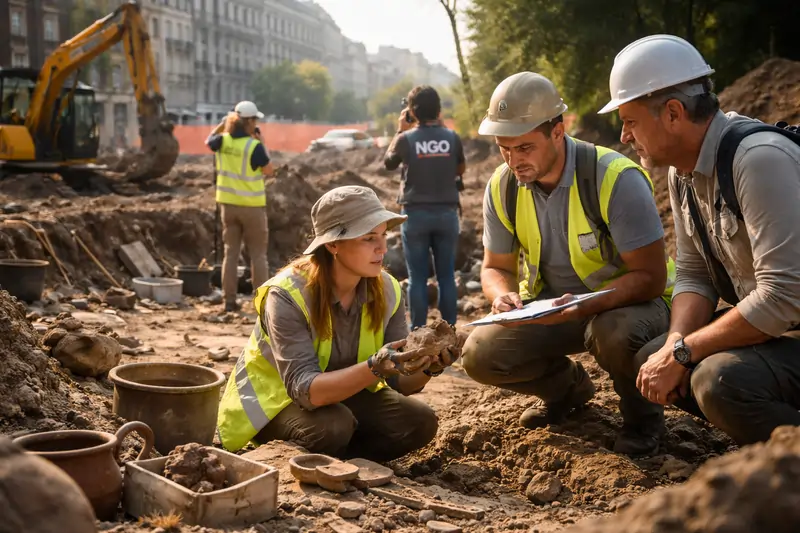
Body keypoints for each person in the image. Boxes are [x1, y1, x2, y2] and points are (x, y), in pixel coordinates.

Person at [598, 34, 800, 446]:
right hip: (781, 331)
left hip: (788, 321)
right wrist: (675, 343)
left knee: (718, 380)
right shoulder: (682, 173)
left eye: (630, 121)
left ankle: (785, 465)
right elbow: (694, 274)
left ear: (673, 113)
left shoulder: (759, 160)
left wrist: (687, 352)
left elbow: (784, 295)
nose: (624, 137)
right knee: (650, 356)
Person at [461, 71, 676, 456]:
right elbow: (495, 267)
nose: (513, 160)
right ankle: (569, 390)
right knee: (480, 355)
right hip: (553, 308)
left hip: (633, 306)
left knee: (613, 332)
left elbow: (651, 278)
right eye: (504, 149)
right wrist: (503, 296)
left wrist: (584, 305)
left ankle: (643, 418)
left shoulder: (613, 178)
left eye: (524, 148)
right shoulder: (503, 185)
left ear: (558, 131)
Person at [216, 185, 463, 459]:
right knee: (332, 426)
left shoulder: (387, 289)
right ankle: (296, 459)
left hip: (341, 397)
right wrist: (373, 367)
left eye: (383, 235)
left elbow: (398, 382)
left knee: (419, 421)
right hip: (277, 405)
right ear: (333, 244)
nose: (382, 247)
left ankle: (347, 462)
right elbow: (306, 391)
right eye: (369, 238)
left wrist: (428, 366)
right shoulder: (286, 295)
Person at [383, 86, 466, 329]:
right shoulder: (452, 138)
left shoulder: (406, 139)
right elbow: (460, 169)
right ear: (439, 109)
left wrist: (401, 128)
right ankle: (448, 330)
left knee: (417, 278)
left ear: (411, 112)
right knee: (446, 276)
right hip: (447, 214)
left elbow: (388, 163)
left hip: (415, 215)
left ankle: (417, 332)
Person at [206, 100, 275, 313]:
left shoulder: (222, 141)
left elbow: (209, 140)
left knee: (231, 253)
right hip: (252, 206)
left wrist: (224, 123)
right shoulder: (253, 146)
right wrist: (262, 141)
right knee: (258, 255)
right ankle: (261, 304)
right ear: (250, 122)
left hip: (229, 206)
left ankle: (229, 301)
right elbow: (269, 170)